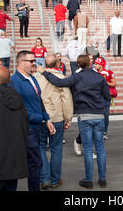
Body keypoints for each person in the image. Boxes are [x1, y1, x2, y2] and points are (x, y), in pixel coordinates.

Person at [38, 54, 111, 189]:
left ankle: (88, 180)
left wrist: (44, 72)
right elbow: (107, 96)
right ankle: (102, 179)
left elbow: (59, 82)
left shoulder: (77, 77)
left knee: (88, 149)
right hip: (99, 115)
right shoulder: (100, 78)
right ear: (90, 63)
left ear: (78, 65)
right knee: (100, 148)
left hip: (84, 115)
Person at [9, 50, 56, 192]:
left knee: (35, 163)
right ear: (21, 62)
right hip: (26, 128)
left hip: (37, 126)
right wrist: (37, 118)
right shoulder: (15, 81)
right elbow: (16, 108)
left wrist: (47, 118)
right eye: (31, 61)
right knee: (33, 162)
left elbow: (39, 101)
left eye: (34, 61)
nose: (34, 63)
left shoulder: (32, 78)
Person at [36, 55, 73, 189]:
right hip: (57, 117)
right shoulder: (61, 78)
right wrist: (68, 118)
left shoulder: (37, 78)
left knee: (40, 147)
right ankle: (55, 179)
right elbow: (66, 100)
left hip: (41, 118)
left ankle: (44, 178)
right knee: (56, 149)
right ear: (57, 64)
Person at [94, 57, 116, 140]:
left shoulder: (109, 72)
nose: (95, 65)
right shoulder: (93, 73)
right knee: (96, 115)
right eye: (95, 64)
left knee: (105, 115)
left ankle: (104, 132)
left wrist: (105, 82)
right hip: (95, 96)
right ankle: (97, 132)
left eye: (97, 64)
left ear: (102, 64)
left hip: (105, 96)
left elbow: (114, 84)